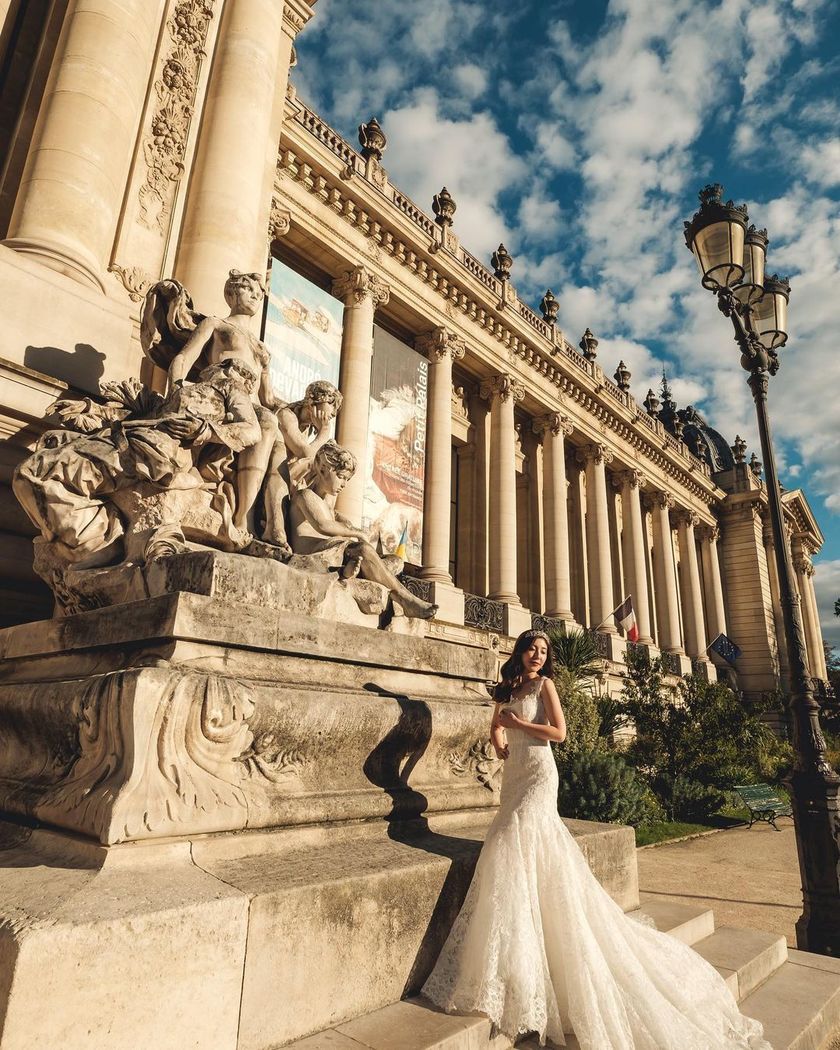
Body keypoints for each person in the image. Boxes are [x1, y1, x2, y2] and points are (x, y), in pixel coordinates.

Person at [422, 629, 771, 1050]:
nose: (537, 655)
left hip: (539, 775)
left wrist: (519, 725)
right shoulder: (509, 684)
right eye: (531, 648)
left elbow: (559, 733)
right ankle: (519, 962)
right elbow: (496, 724)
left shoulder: (546, 684)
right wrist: (500, 742)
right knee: (508, 846)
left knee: (517, 839)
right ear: (519, 652)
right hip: (515, 775)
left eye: (543, 651)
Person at [289, 440, 438, 620]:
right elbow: (323, 525)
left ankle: (353, 572)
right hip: (313, 553)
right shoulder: (305, 496)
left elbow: (334, 519)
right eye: (341, 476)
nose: (344, 484)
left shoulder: (328, 504)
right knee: (364, 549)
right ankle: (406, 599)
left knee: (396, 560)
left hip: (332, 550)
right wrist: (356, 533)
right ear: (322, 470)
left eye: (347, 479)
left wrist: (347, 524)